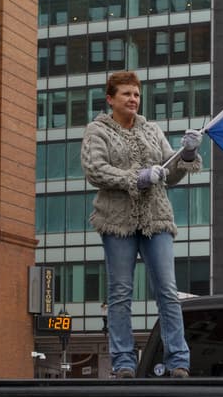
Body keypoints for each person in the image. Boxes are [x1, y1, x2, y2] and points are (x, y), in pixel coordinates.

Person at [81, 71, 202, 379]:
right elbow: (95, 170)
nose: (133, 99)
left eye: (136, 94)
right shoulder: (97, 131)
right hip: (117, 222)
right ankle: (123, 363)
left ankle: (178, 360)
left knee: (167, 290)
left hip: (156, 218)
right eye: (126, 94)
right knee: (120, 292)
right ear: (110, 99)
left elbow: (170, 173)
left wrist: (187, 154)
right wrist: (137, 177)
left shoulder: (151, 130)